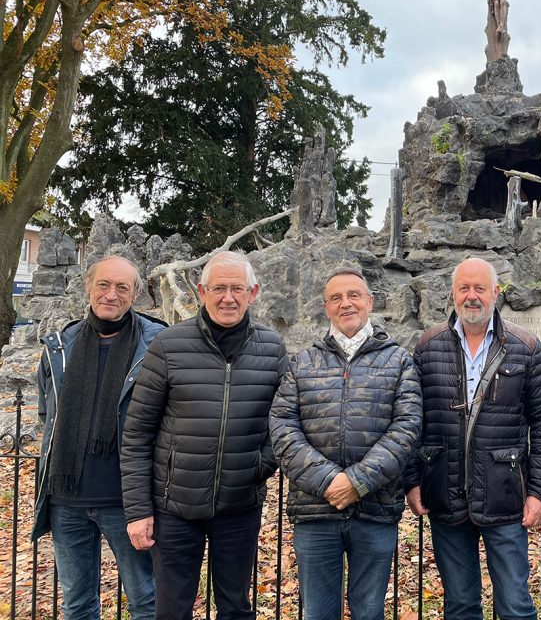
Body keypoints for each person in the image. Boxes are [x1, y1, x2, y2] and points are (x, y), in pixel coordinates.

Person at [121, 251, 287, 620]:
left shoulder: (273, 348)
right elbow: (137, 433)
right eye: (219, 288)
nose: (228, 297)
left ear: (253, 292)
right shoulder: (168, 345)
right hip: (174, 507)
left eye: (237, 289)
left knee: (235, 607)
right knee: (173, 609)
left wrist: (261, 464)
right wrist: (138, 510)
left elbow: (284, 419)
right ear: (201, 291)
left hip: (239, 504)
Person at [406, 257, 541, 620]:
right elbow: (411, 421)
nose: (471, 297)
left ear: (495, 293)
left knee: (515, 607)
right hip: (446, 496)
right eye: (464, 288)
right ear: (453, 293)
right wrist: (412, 482)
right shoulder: (428, 347)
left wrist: (539, 493)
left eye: (480, 289)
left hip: (505, 498)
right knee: (459, 606)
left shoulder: (526, 347)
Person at [270, 267, 421, 620]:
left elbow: (407, 428)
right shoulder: (302, 363)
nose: (346, 303)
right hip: (315, 510)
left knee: (369, 611)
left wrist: (358, 482)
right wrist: (329, 482)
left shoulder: (399, 361)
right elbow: (281, 425)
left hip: (375, 508)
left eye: (354, 295)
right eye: (336, 298)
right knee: (318, 613)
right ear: (326, 307)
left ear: (369, 301)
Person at [32, 255, 165, 620]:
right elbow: (49, 413)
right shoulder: (61, 346)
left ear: (135, 294)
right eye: (104, 285)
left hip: (127, 500)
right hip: (65, 497)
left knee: (146, 600)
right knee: (76, 604)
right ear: (89, 287)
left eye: (122, 287)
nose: (111, 294)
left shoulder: (157, 345)